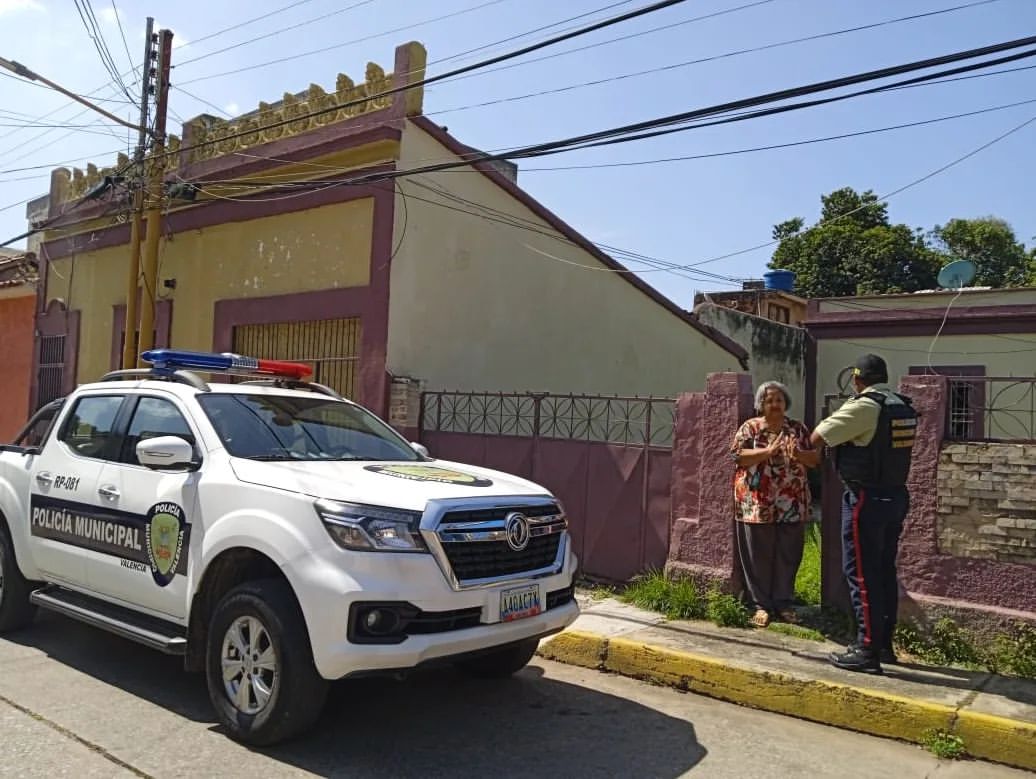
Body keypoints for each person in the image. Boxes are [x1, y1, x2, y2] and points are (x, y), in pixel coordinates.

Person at [810, 354, 917, 675]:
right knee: (883, 571)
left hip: (865, 498)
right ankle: (883, 644)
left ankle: (866, 649)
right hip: (895, 495)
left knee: (860, 572)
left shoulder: (864, 406)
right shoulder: (901, 404)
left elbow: (818, 437)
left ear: (857, 380)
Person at [730, 381, 819, 628]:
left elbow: (814, 460)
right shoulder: (751, 428)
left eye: (779, 399)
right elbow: (737, 456)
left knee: (789, 553)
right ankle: (760, 604)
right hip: (757, 501)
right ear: (761, 404)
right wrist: (768, 452)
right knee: (759, 553)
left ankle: (783, 602)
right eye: (769, 400)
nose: (775, 404)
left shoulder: (797, 429)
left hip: (791, 500)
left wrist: (798, 455)